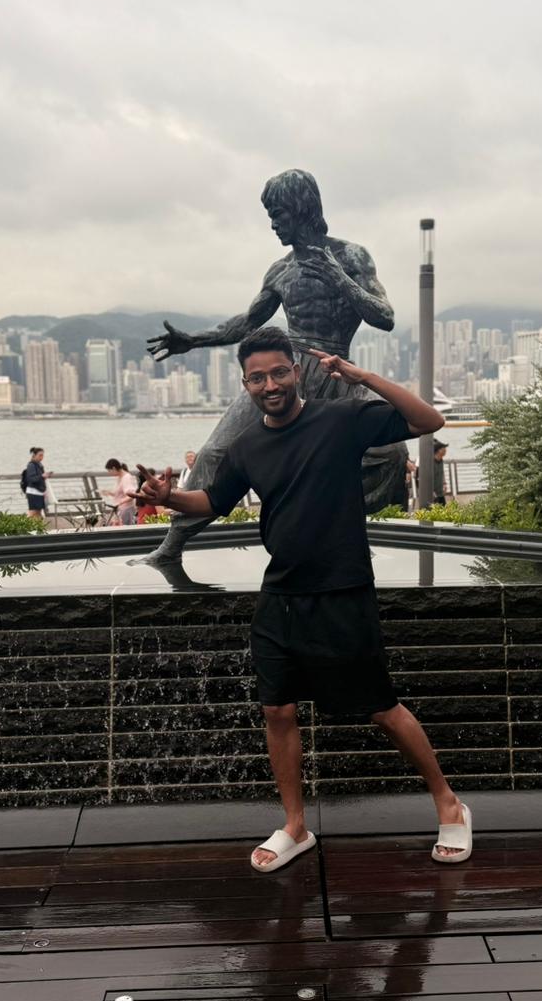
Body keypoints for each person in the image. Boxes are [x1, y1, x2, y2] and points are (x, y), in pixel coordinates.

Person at [135, 326, 471, 873]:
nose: (270, 385)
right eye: (257, 378)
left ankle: (449, 803)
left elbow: (427, 421)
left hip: (342, 589)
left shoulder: (340, 419)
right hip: (281, 593)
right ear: (245, 384)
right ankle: (295, 825)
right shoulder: (247, 446)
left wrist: (362, 377)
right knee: (277, 709)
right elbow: (213, 501)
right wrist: (169, 496)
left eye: (278, 372)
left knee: (382, 709)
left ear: (296, 372)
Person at [143, 169, 408, 565]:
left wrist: (339, 278)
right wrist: (193, 340)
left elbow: (384, 317)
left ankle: (339, 523)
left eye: (278, 214)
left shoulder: (352, 257)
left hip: (336, 370)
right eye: (270, 215)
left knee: (393, 453)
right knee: (216, 451)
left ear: (302, 209)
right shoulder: (280, 270)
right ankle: (173, 543)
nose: (273, 224)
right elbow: (247, 322)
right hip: (285, 372)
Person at [104, 458, 138, 526]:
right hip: (120, 509)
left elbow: (132, 495)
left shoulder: (126, 478)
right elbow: (120, 493)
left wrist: (120, 502)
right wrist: (109, 493)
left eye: (109, 471)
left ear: (114, 468)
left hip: (126, 509)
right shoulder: (120, 477)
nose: (109, 473)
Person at [22, 447, 51, 520]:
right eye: (40, 455)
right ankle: (25, 524)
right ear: (34, 455)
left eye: (43, 455)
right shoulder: (31, 465)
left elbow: (38, 478)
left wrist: (44, 476)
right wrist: (42, 476)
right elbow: (31, 479)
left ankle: (37, 525)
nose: (42, 457)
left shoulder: (39, 465)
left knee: (38, 512)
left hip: (39, 492)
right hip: (33, 492)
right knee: (33, 512)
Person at [433, 440, 449, 506]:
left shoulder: (441, 460)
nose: (445, 450)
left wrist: (444, 483)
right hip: (433, 494)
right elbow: (426, 478)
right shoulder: (430, 462)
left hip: (440, 493)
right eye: (444, 448)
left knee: (444, 508)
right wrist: (431, 491)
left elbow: (442, 472)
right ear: (439, 450)